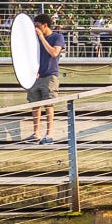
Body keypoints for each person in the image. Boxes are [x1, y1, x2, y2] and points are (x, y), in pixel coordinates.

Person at [26, 13, 65, 144]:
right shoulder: (35, 39)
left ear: (45, 25)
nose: (35, 29)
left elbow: (54, 53)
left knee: (49, 104)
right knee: (34, 105)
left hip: (50, 75)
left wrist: (42, 38)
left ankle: (49, 134)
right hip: (37, 76)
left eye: (37, 26)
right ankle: (36, 133)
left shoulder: (57, 37)